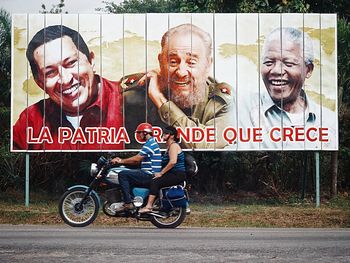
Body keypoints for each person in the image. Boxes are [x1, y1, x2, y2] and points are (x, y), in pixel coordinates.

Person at [122, 23, 234, 150]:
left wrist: (160, 100)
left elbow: (203, 146)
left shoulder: (221, 102)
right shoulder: (133, 94)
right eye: (173, 62)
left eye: (191, 62)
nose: (181, 72)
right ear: (160, 61)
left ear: (208, 65)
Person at [12, 25, 124, 150]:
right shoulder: (31, 120)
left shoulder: (131, 100)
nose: (65, 79)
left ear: (91, 61)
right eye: (50, 72)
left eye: (71, 63)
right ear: (40, 83)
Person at [245, 27, 337, 149]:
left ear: (308, 70)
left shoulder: (328, 120)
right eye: (268, 62)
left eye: (289, 64)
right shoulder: (241, 108)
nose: (276, 70)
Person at [111, 122, 161, 212]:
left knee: (122, 174)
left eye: (140, 133)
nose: (139, 135)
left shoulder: (150, 144)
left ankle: (127, 203)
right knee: (129, 173)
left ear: (145, 133)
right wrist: (124, 162)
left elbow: (137, 159)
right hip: (148, 173)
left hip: (148, 174)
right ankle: (133, 201)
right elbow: (137, 160)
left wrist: (121, 161)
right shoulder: (151, 143)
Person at [139, 126, 186, 213]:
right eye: (163, 133)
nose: (163, 135)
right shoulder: (169, 147)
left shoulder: (173, 146)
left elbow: (173, 162)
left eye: (166, 133)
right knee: (152, 180)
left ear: (172, 136)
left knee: (155, 181)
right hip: (173, 173)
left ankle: (148, 206)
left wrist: (161, 173)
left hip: (177, 174)